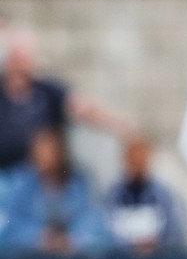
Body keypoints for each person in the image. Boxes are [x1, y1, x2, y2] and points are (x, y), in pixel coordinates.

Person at [0, 26, 134, 175]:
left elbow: (84, 108)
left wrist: (121, 126)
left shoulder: (47, 91)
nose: (19, 62)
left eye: (24, 55)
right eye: (16, 55)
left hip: (37, 176)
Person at [0, 127, 114, 257]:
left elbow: (91, 217)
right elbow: (12, 223)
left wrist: (71, 239)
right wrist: (40, 238)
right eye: (38, 151)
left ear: (59, 153)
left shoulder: (78, 181)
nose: (43, 157)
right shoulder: (21, 183)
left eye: (48, 150)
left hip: (72, 257)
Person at [103, 135, 185, 257]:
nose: (138, 166)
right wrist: (130, 246)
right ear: (125, 161)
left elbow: (174, 232)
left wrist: (156, 244)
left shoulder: (162, 195)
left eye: (141, 160)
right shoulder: (114, 195)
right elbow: (105, 231)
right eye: (133, 161)